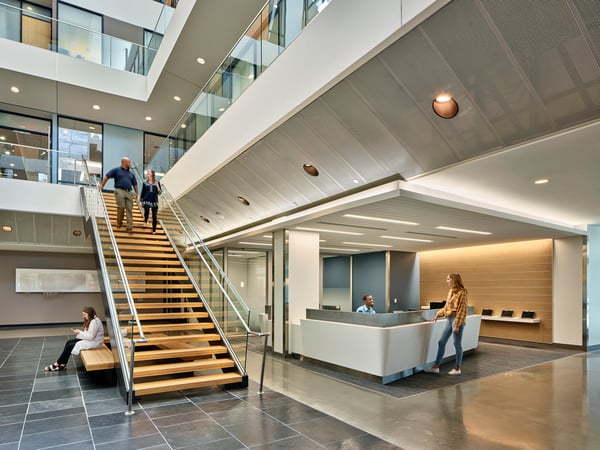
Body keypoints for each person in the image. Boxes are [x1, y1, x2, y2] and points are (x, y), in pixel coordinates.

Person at [424, 273, 468, 375]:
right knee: (441, 342)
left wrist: (457, 325)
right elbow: (446, 307)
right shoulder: (450, 291)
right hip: (448, 320)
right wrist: (438, 315)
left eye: (448, 279)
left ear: (454, 280)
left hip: (457, 320)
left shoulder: (463, 292)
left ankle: (457, 368)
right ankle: (436, 366)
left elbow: (462, 309)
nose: (446, 281)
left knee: (456, 344)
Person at [44, 305, 104, 371]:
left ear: (89, 313)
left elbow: (91, 336)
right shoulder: (91, 320)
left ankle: (57, 364)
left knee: (70, 346)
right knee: (69, 342)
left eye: (85, 314)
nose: (83, 316)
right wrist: (79, 332)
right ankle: (63, 364)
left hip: (95, 342)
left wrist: (80, 332)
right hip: (91, 340)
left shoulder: (94, 322)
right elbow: (89, 334)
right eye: (83, 314)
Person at [99, 157, 138, 232]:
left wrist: (136, 193)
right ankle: (119, 222)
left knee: (129, 209)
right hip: (119, 190)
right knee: (121, 207)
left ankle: (130, 227)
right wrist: (102, 185)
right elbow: (107, 176)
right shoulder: (116, 170)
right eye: (129, 162)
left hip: (129, 192)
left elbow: (135, 184)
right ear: (124, 162)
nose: (130, 164)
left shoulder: (131, 174)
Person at [140, 169, 161, 234]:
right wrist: (141, 201)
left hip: (154, 201)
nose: (147, 174)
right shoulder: (145, 183)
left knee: (154, 216)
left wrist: (157, 186)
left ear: (152, 174)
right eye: (147, 173)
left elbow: (160, 192)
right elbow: (142, 192)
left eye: (148, 173)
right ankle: (145, 221)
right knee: (146, 211)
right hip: (146, 200)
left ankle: (154, 230)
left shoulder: (157, 182)